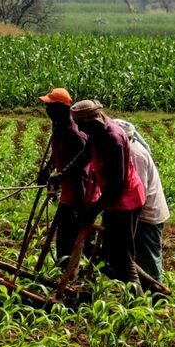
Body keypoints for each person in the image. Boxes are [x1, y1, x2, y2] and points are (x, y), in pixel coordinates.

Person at [58, 100, 146, 284]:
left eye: (82, 125)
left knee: (122, 255)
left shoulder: (113, 139)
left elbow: (116, 184)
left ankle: (137, 295)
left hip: (126, 201)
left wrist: (92, 211)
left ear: (92, 121)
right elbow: (84, 157)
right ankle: (140, 287)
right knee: (112, 252)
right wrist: (63, 174)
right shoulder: (96, 133)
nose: (80, 129)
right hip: (113, 200)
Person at [113, 116, 170, 285]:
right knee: (136, 259)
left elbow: (138, 194)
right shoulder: (127, 150)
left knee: (148, 263)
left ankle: (157, 297)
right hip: (136, 214)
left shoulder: (134, 154)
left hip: (147, 215)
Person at [36, 88, 87, 269]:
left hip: (76, 196)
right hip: (67, 192)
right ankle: (65, 271)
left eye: (49, 106)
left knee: (68, 238)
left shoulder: (75, 135)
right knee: (63, 237)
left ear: (60, 109)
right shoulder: (58, 128)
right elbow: (57, 154)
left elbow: (82, 170)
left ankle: (68, 273)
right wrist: (48, 169)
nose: (47, 110)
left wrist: (78, 207)